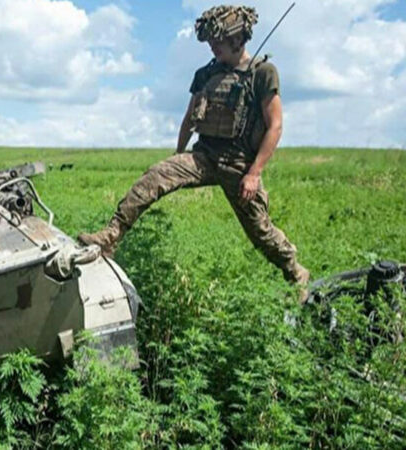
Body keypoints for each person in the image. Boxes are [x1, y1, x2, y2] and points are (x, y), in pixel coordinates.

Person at [78, 5, 310, 297]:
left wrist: (254, 173)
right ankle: (110, 236)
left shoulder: (262, 73)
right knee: (154, 177)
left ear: (237, 40)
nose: (212, 47)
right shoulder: (205, 74)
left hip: (239, 164)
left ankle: (295, 271)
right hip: (204, 157)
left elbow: (274, 126)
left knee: (261, 231)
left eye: (218, 42)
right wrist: (176, 156)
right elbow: (189, 119)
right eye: (210, 42)